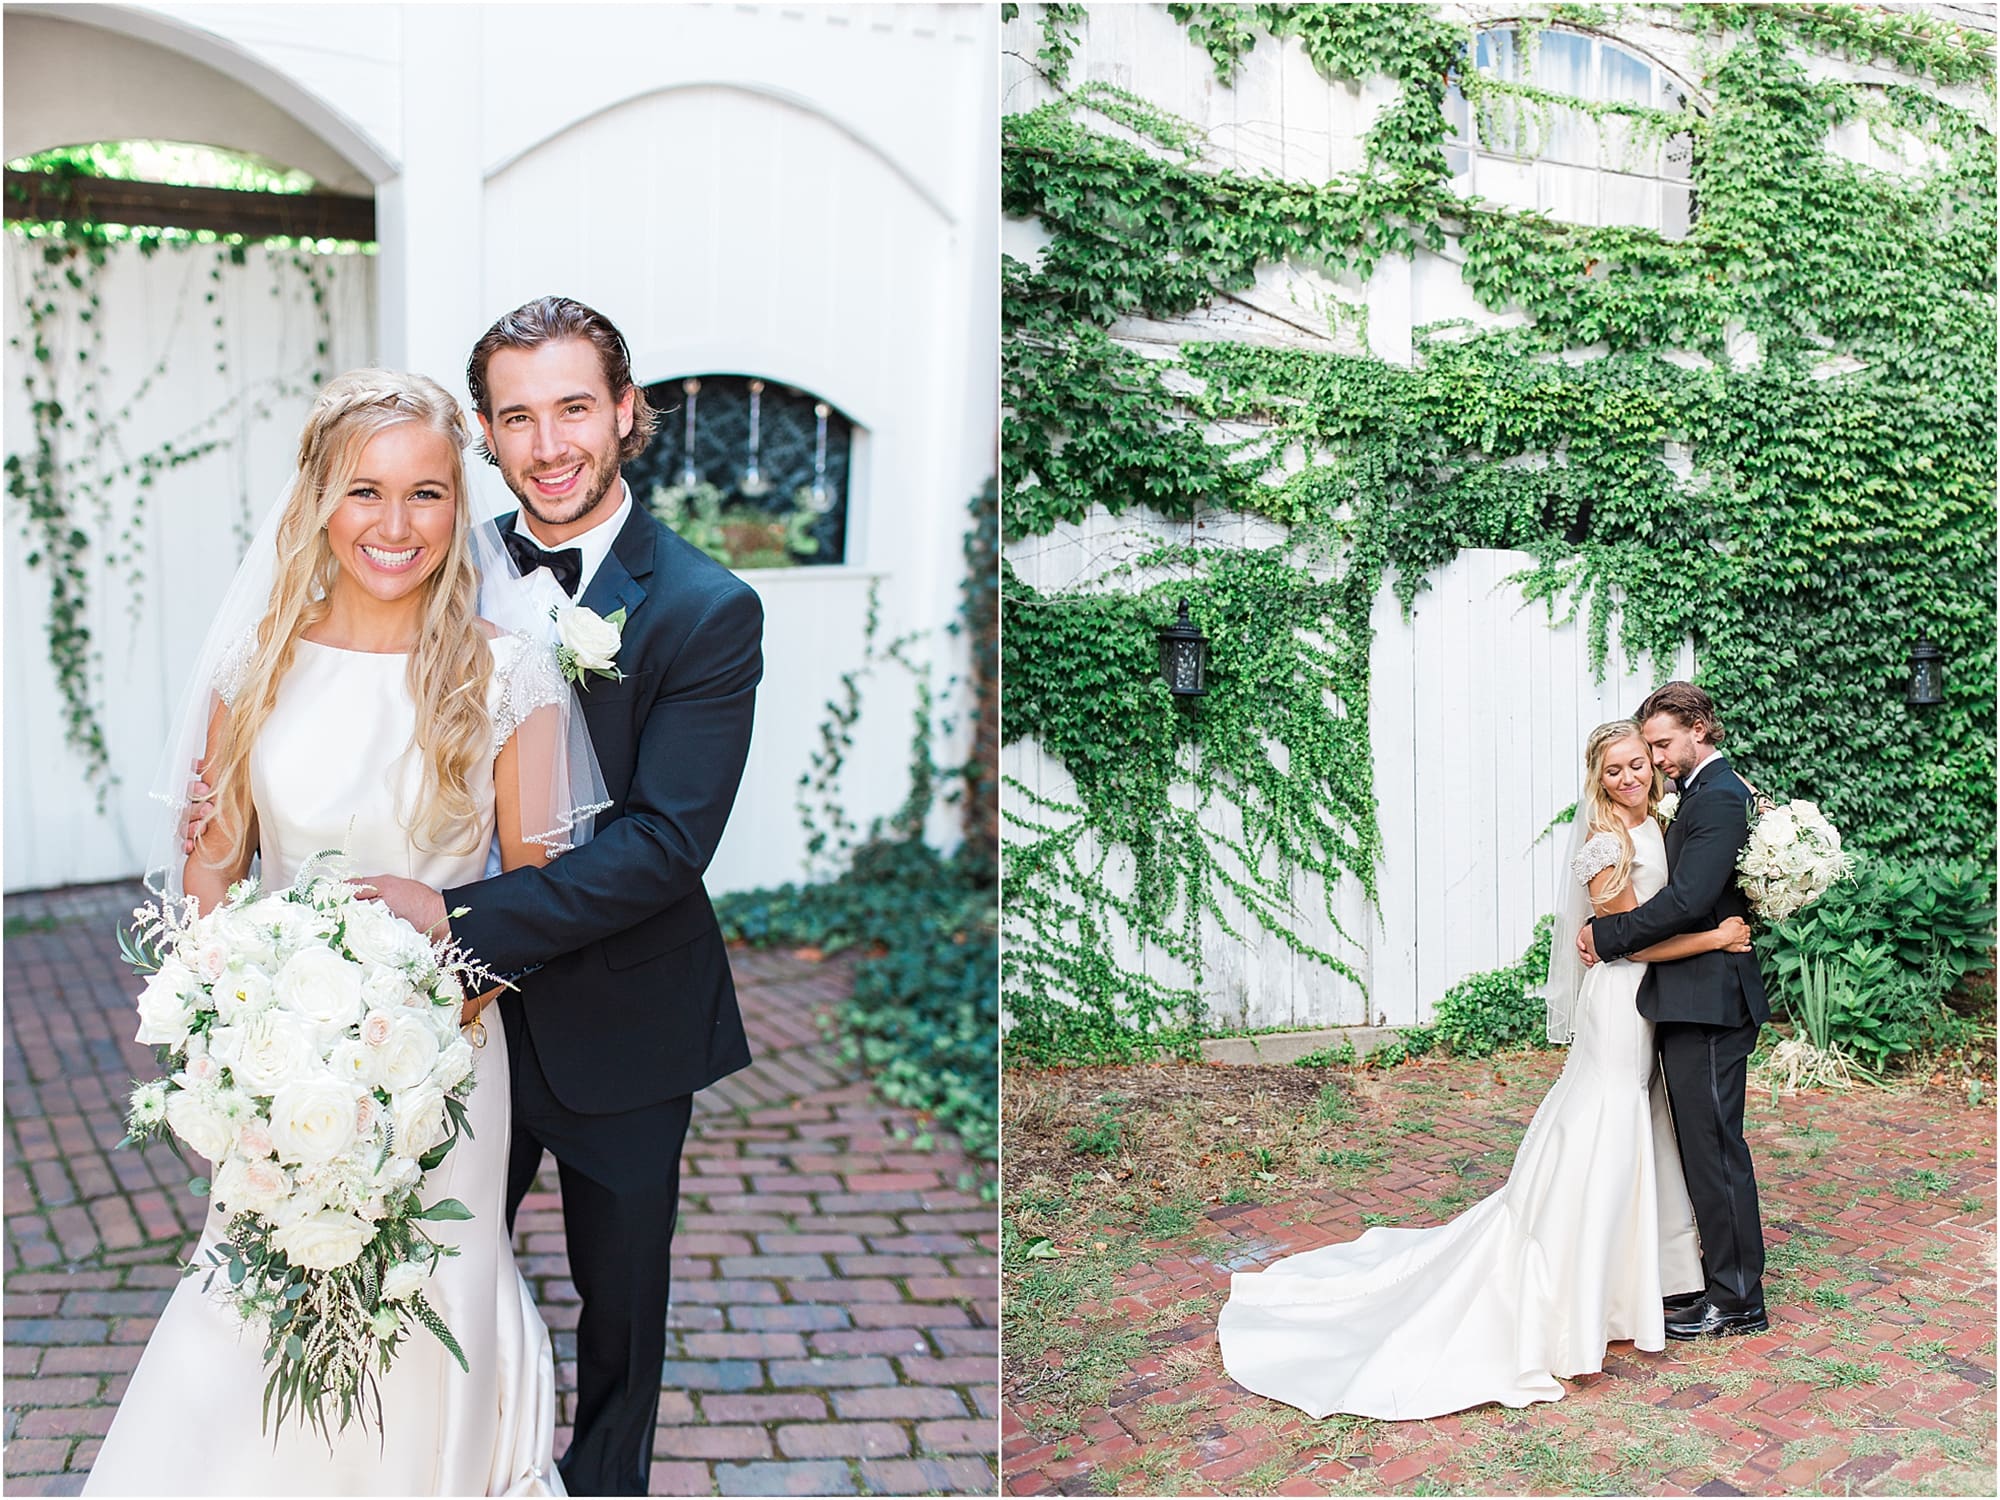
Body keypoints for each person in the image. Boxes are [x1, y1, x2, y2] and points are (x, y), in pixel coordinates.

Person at [87, 370, 586, 1494]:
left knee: (428, 1308)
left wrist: (407, 1038)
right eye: (365, 492)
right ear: (317, 497)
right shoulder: (252, 664)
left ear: (461, 506)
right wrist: (235, 1050)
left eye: (427, 494)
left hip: (443, 1063)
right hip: (277, 1067)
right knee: (250, 1316)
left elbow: (534, 902)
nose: (395, 526)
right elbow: (208, 881)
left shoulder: (507, 677)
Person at [355, 297, 765, 1496]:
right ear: (483, 431)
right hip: (435, 1019)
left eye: (573, 408)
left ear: (626, 414)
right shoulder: (428, 558)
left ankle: (602, 1482)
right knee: (416, 1269)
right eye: (517, 416)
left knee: (620, 1302)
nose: (548, 445)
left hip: (621, 1019)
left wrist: (460, 919)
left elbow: (663, 844)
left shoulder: (702, 608)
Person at [1216, 720, 1754, 1420]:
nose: (1631, 776)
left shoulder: (1661, 822)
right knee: (1610, 1126)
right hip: (1622, 1004)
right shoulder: (1605, 843)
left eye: (1638, 764)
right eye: (1615, 769)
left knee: (1640, 1132)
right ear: (1597, 778)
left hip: (1654, 1008)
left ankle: (1636, 1281)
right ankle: (1576, 1290)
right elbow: (1626, 946)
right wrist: (1716, 938)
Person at [1579, 682, 1771, 1340]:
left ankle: (1738, 1299)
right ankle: (1715, 1282)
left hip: (1709, 998)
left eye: (1661, 744)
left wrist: (1608, 938)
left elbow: (1688, 899)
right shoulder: (1704, 793)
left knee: (1715, 1149)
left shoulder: (1716, 797)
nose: (1655, 759)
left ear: (1700, 728)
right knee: (1700, 1146)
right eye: (1647, 748)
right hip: (1687, 993)